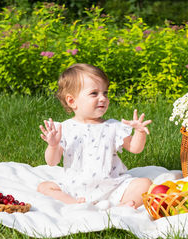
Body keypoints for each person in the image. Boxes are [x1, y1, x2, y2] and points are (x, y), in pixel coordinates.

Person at [37, 63, 152, 208]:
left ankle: (121, 206)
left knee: (145, 184)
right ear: (72, 101)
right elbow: (52, 162)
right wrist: (53, 145)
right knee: (44, 187)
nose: (103, 98)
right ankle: (74, 203)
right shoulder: (64, 128)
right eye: (94, 93)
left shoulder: (112, 126)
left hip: (113, 185)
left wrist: (140, 132)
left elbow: (135, 148)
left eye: (105, 93)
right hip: (75, 187)